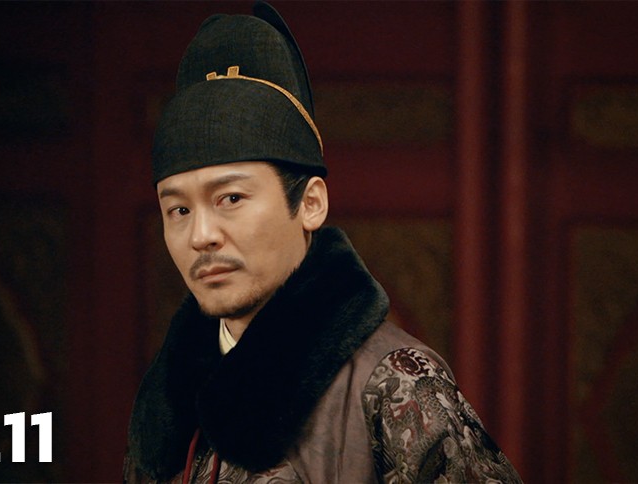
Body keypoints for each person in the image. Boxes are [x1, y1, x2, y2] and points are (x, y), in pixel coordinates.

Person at [124, 2, 521, 483]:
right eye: (179, 210)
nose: (201, 235)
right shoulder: (169, 409)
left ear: (310, 203)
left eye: (231, 198)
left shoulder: (396, 384)